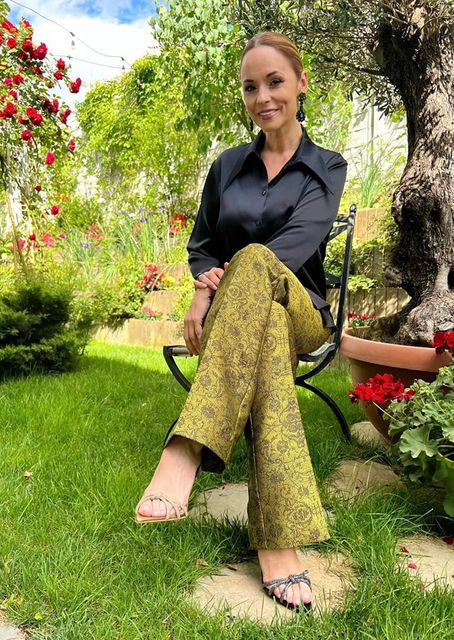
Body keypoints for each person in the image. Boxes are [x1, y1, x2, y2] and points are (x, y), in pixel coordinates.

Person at [135, 31, 348, 613]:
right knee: (265, 334)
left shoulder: (326, 166)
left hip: (302, 310)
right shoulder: (228, 166)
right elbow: (202, 244)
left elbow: (297, 243)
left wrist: (216, 291)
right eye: (251, 87)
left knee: (258, 262)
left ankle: (187, 447)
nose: (263, 97)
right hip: (247, 323)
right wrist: (199, 289)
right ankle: (278, 543)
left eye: (275, 82)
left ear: (301, 84)